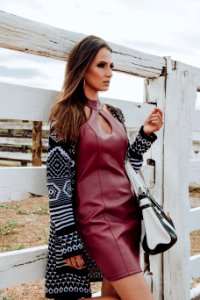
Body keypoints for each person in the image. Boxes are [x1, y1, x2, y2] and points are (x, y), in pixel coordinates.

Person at [45, 35, 163, 300]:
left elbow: (126, 167)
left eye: (112, 66)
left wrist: (145, 135)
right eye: (101, 66)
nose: (110, 73)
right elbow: (57, 182)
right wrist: (67, 236)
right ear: (82, 66)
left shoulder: (115, 113)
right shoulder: (67, 116)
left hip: (128, 218)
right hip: (98, 222)